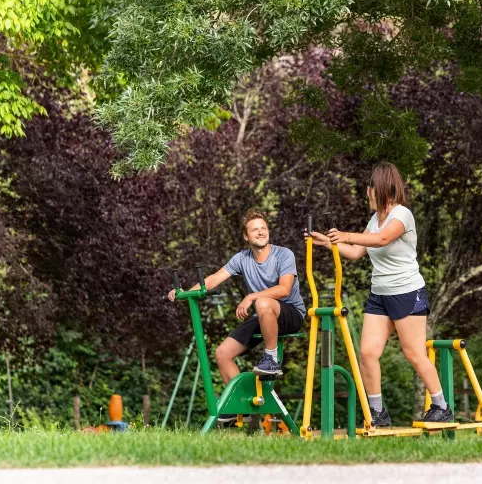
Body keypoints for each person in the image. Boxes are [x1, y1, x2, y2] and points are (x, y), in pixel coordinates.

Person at [308, 162, 454, 426]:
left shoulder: (402, 215)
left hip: (407, 292)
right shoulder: (374, 220)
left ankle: (441, 406)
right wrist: (329, 243)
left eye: (370, 188)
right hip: (379, 295)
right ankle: (378, 413)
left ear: (382, 188)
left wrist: (345, 235)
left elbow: (382, 239)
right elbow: (356, 252)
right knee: (367, 353)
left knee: (414, 353)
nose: (367, 192)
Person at [169, 208, 306, 423]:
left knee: (262, 302)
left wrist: (251, 297)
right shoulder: (242, 258)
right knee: (223, 353)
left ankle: (271, 359)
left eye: (263, 228)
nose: (260, 232)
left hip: (290, 313)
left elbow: (284, 289)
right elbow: (214, 279)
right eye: (255, 230)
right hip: (263, 313)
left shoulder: (283, 254)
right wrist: (185, 292)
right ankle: (239, 404)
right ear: (246, 236)